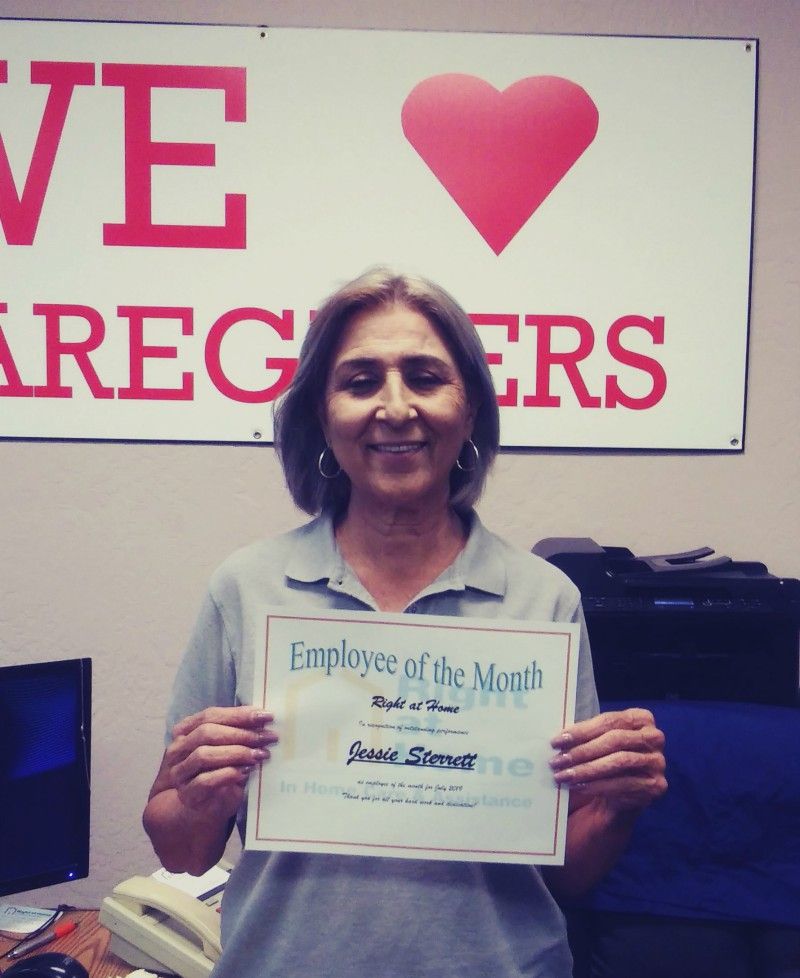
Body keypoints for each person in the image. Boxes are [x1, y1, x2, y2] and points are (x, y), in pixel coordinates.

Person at [143, 268, 666, 978]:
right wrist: (203, 786)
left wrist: (620, 803)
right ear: (322, 416)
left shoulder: (543, 599)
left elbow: (568, 874)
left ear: (471, 409)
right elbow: (181, 852)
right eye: (360, 382)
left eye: (425, 377)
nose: (395, 407)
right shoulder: (247, 588)